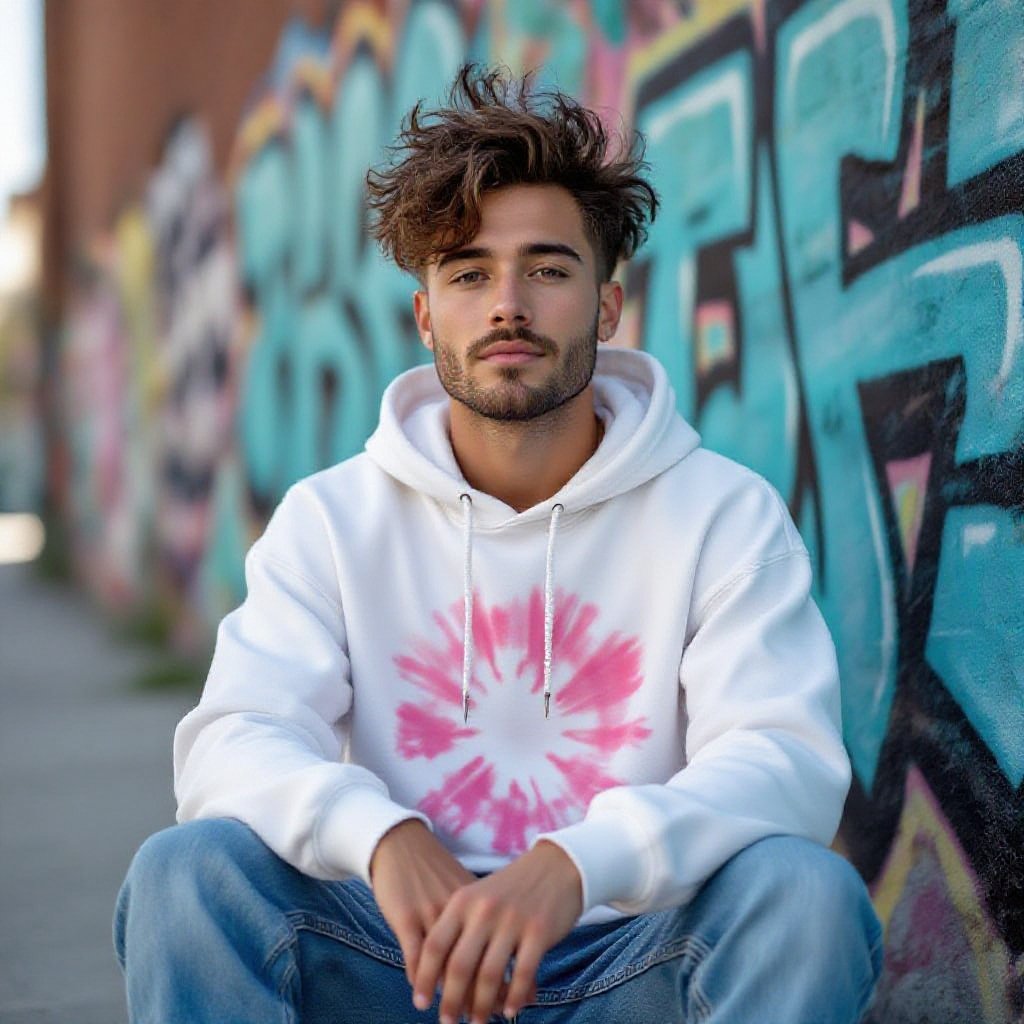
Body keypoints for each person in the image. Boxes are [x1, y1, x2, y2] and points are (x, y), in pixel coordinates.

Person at [114, 65, 882, 1023]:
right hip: (396, 963)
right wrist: (383, 838)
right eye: (469, 272)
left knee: (806, 897)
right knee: (189, 873)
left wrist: (575, 865)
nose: (508, 303)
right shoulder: (332, 520)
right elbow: (233, 740)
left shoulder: (724, 515)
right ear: (426, 312)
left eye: (549, 269)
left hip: (631, 965)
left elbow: (784, 761)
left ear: (606, 304)